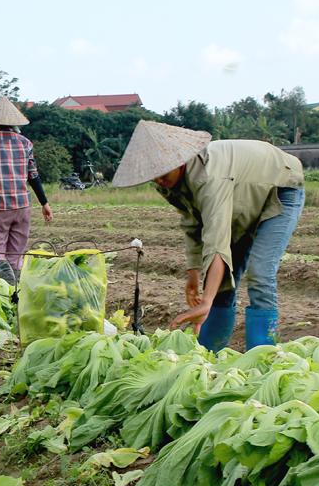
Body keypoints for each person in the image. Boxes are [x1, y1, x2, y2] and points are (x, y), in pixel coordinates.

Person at [112, 120, 305, 351]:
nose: (159, 181)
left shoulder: (209, 177)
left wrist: (206, 300)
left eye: (162, 174)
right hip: (242, 200)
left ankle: (262, 354)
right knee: (222, 283)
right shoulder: (170, 182)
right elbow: (193, 225)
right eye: (154, 177)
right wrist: (194, 275)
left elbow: (216, 238)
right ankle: (208, 353)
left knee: (260, 272)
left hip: (280, 187)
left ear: (179, 161)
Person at [0, 96, 53, 286]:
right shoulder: (26, 143)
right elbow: (33, 175)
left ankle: (7, 282)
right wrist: (44, 203)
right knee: (16, 254)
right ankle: (16, 292)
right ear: (15, 124)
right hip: (22, 205)